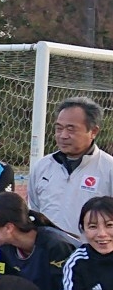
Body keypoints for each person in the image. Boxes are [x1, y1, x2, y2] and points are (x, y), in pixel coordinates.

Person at [29, 97, 113, 238]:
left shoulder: (108, 168)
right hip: (49, 252)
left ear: (93, 131)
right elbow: (34, 207)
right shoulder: (42, 167)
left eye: (71, 129)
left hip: (91, 255)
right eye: (59, 128)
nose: (63, 135)